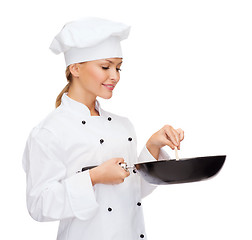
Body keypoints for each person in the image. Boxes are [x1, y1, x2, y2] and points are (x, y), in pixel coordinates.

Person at [22, 17, 184, 240]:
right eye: (105, 66)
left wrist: (153, 146)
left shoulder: (123, 126)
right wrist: (93, 177)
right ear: (76, 68)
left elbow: (132, 192)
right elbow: (39, 205)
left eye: (118, 67)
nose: (115, 76)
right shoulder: (50, 131)